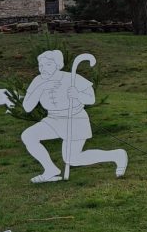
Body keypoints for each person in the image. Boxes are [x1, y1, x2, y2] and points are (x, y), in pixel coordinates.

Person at [20, 50, 127, 183]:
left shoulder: (71, 78)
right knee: (28, 135)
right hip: (53, 120)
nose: (42, 68)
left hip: (75, 119)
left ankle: (116, 155)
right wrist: (41, 87)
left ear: (57, 64)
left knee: (73, 159)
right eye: (40, 65)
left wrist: (77, 95)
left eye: (47, 64)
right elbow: (27, 107)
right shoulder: (38, 80)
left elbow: (91, 99)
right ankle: (50, 169)